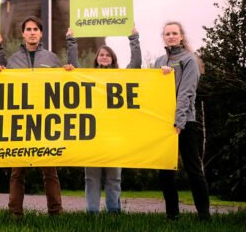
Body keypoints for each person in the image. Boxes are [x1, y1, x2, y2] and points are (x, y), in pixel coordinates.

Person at [0, 16, 77, 217]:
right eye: (28, 29)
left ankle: (55, 212)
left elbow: (64, 84)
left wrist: (67, 71)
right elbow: (2, 85)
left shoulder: (52, 59)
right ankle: (15, 213)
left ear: (41, 33)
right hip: (20, 122)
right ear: (23, 33)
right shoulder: (13, 60)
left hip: (45, 122)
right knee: (17, 171)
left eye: (35, 29)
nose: (32, 32)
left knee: (49, 171)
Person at [154, 21, 210, 221]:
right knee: (165, 171)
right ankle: (172, 214)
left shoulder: (189, 60)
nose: (170, 36)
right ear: (164, 36)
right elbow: (153, 91)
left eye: (174, 33)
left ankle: (204, 215)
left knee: (193, 168)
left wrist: (179, 122)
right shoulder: (160, 61)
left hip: (186, 123)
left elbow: (186, 92)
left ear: (181, 36)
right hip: (163, 124)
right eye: (167, 33)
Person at [85, 27, 142, 214]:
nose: (103, 57)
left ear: (113, 59)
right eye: (101, 54)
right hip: (92, 135)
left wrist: (134, 38)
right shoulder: (87, 78)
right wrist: (70, 41)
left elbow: (136, 64)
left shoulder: (122, 77)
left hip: (114, 136)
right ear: (96, 58)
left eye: (107, 55)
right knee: (91, 178)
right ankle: (92, 212)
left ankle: (114, 211)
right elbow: (71, 67)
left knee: (114, 177)